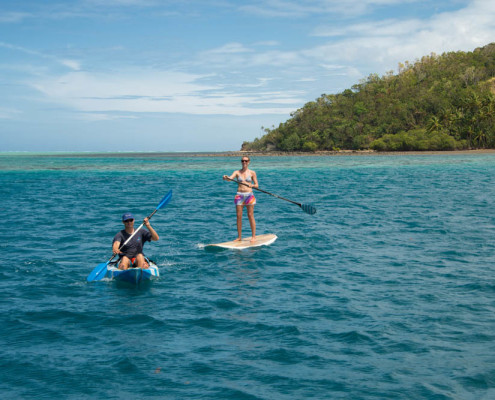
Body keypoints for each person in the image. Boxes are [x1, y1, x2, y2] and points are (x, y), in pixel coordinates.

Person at [223, 156, 259, 242]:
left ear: (249, 162)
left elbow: (257, 185)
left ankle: (253, 236)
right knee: (239, 216)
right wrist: (226, 177)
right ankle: (239, 237)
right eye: (242, 161)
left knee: (250, 215)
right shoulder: (237, 172)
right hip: (239, 195)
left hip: (249, 195)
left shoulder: (252, 173)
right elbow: (230, 179)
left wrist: (252, 185)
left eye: (246, 161)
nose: (244, 162)